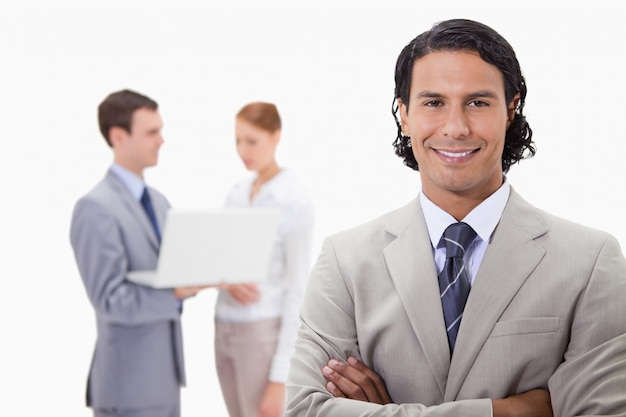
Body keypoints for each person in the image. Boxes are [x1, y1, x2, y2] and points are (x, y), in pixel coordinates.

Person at [285, 19, 626, 417]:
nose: (456, 127)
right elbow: (303, 410)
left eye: (478, 102)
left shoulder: (590, 261)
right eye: (433, 103)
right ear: (405, 114)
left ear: (511, 110)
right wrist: (508, 411)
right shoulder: (344, 261)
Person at [70, 89, 206, 417]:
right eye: (151, 132)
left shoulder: (159, 202)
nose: (162, 140)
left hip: (164, 378)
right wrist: (173, 293)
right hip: (127, 386)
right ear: (118, 136)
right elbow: (109, 298)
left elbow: (170, 269)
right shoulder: (95, 207)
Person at [213, 102, 315, 417]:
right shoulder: (237, 193)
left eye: (252, 141)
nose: (243, 150)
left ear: (276, 137)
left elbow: (298, 288)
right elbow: (222, 257)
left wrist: (280, 377)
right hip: (223, 326)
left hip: (261, 331)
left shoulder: (293, 199)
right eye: (237, 140)